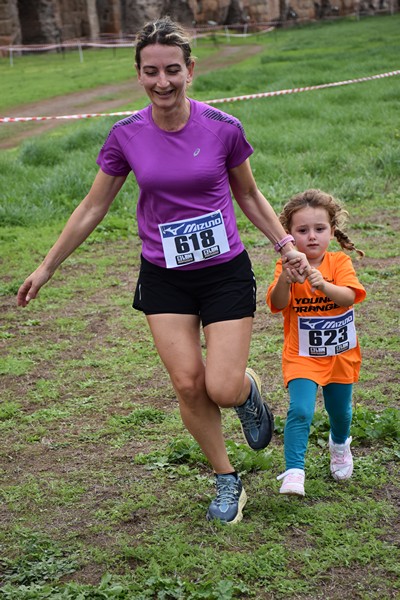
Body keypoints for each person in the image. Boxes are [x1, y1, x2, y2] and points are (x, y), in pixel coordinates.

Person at [17, 16, 309, 524]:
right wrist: (47, 267)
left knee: (220, 386)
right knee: (188, 384)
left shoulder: (222, 128)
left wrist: (284, 244)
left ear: (190, 69)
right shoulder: (126, 135)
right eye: (151, 71)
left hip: (223, 272)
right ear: (139, 73)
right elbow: (92, 207)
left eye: (172, 69)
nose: (162, 82)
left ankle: (245, 390)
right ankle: (225, 479)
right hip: (165, 274)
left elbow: (248, 194)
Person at [266, 189, 366, 497]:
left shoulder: (339, 262)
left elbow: (350, 296)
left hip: (340, 354)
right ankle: (295, 471)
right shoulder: (287, 265)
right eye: (302, 230)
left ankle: (339, 445)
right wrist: (286, 278)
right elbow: (276, 304)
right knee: (300, 411)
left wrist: (324, 285)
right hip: (302, 356)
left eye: (319, 229)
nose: (312, 237)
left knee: (341, 413)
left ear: (331, 231)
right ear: (289, 235)